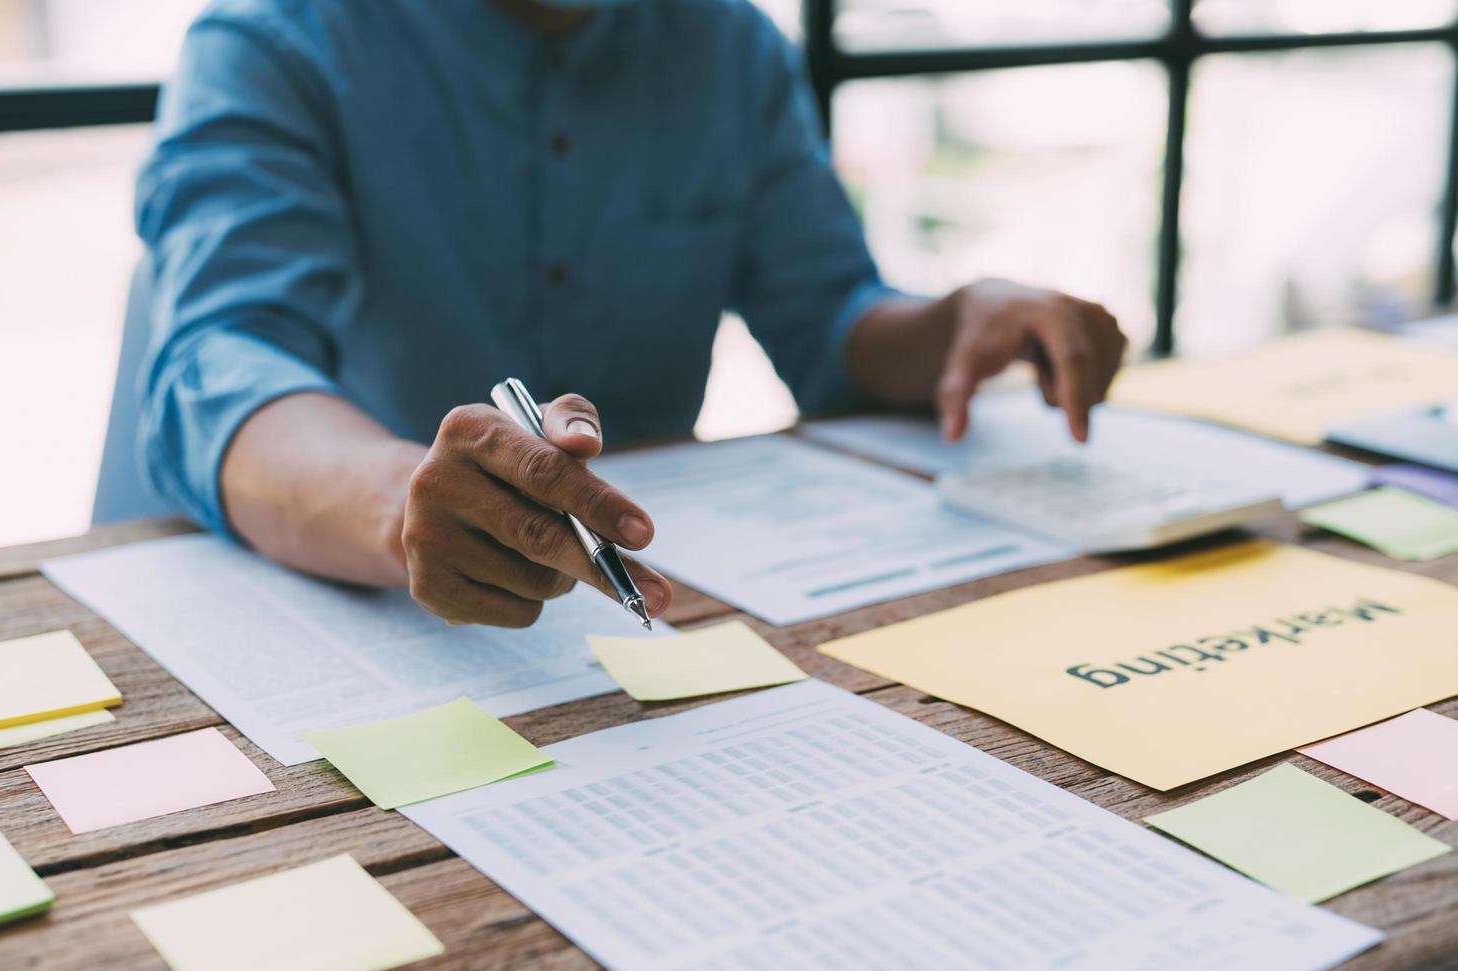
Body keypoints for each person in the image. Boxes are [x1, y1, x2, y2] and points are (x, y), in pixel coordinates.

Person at [134, 0, 1127, 629]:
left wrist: (960, 322)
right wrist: (407, 503)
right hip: (364, 617)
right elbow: (222, 364)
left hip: (668, 608)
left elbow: (829, 321)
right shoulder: (271, 41)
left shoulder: (730, 44)